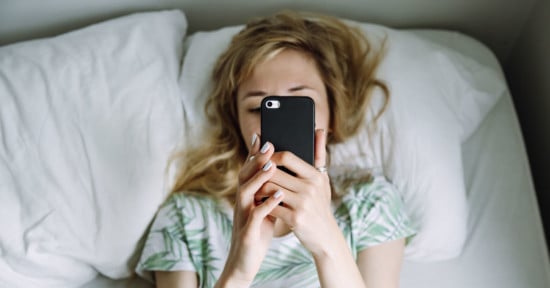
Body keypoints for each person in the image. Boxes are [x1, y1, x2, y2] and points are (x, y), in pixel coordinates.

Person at [135, 10, 416, 288]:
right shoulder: (186, 218)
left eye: (300, 106)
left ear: (333, 114)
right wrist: (237, 271)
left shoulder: (371, 204)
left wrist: (327, 243)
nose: (280, 126)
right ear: (236, 121)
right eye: (259, 108)